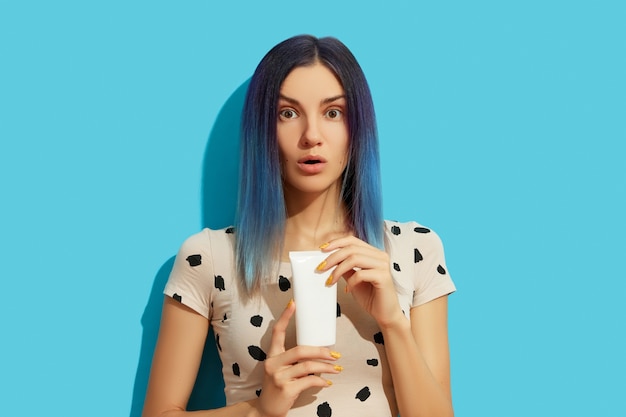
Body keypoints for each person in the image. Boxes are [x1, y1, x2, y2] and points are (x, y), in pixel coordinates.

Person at [142, 35, 456, 417]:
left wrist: (393, 322)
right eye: (287, 113)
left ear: (357, 128)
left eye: (333, 113)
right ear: (263, 130)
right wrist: (260, 411)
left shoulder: (414, 249)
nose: (311, 136)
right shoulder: (208, 258)